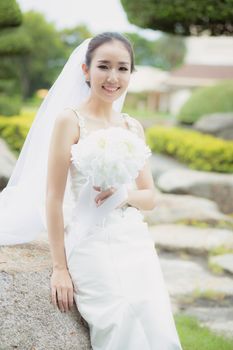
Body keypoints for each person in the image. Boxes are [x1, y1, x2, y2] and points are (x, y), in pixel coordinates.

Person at [0, 31, 183, 349]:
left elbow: (150, 196)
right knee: (118, 318)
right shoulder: (68, 121)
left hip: (132, 239)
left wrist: (124, 196)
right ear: (85, 70)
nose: (113, 77)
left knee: (155, 317)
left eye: (123, 68)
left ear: (130, 73)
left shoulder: (132, 126)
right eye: (104, 66)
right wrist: (59, 268)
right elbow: (53, 197)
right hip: (89, 240)